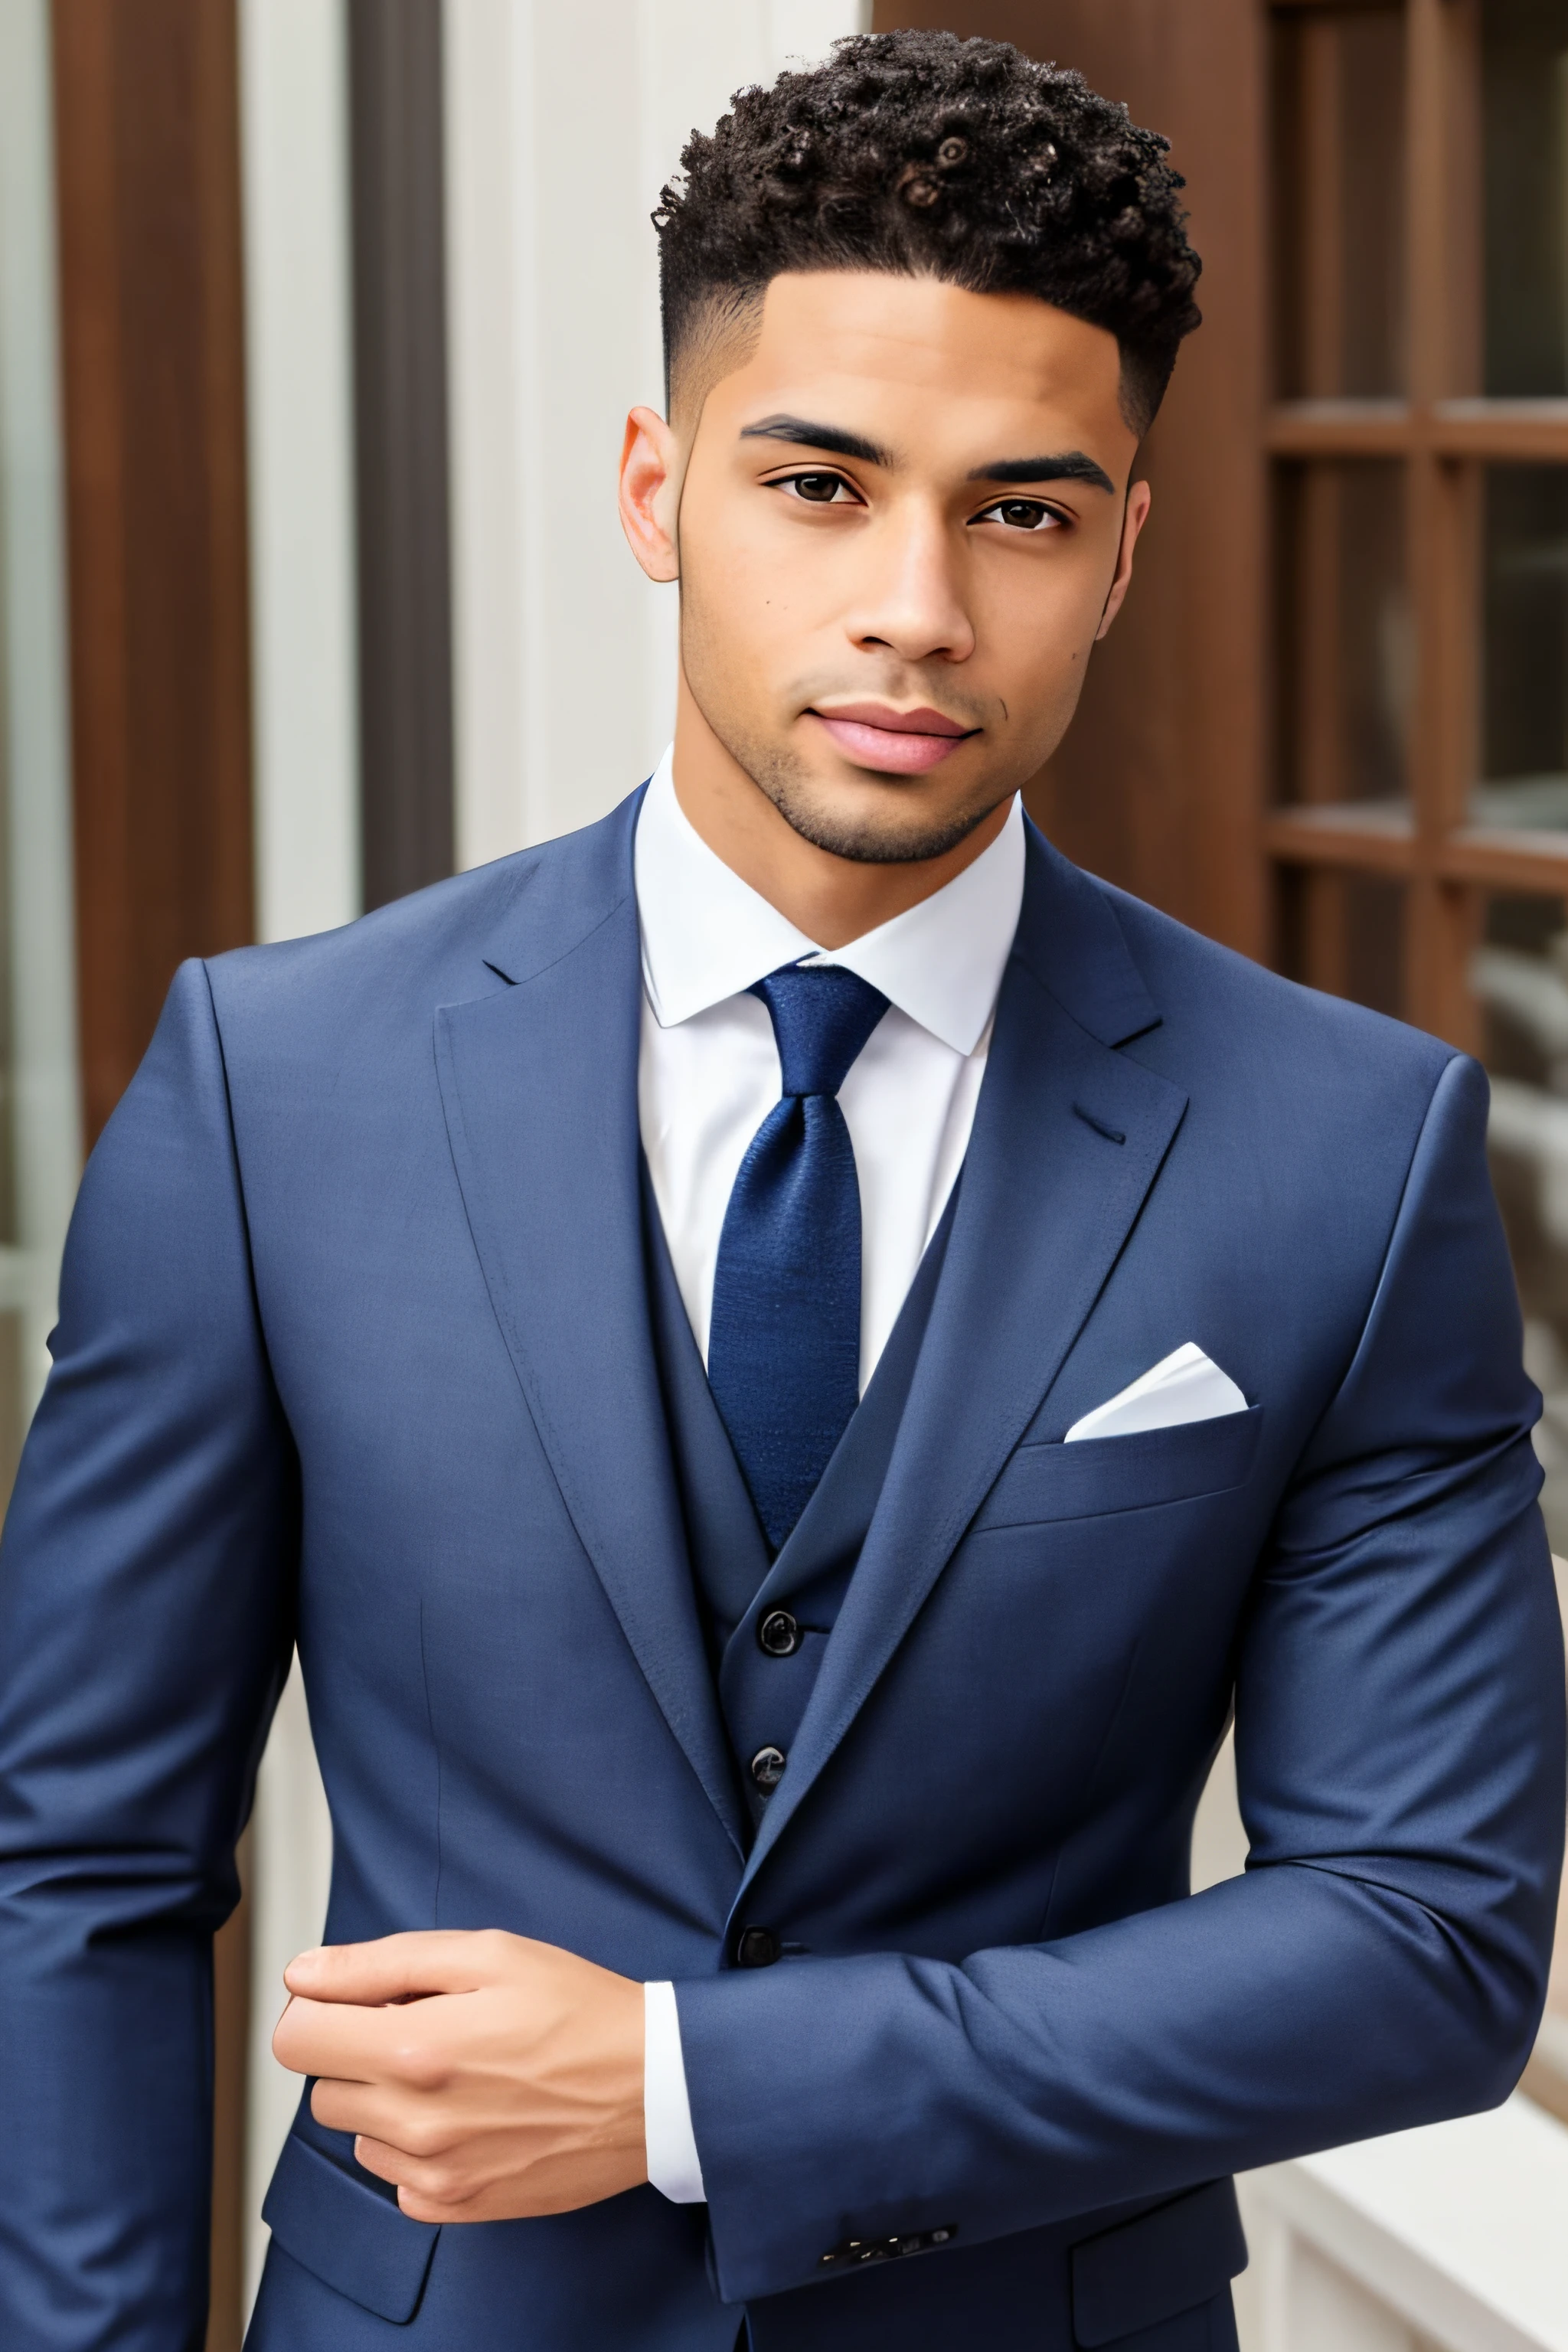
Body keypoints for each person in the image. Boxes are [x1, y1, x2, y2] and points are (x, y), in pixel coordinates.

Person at [1, 28, 1562, 2352]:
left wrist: (676, 2088)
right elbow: (88, 1871)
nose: (918, 606)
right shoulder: (274, 1087)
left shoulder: (1348, 1145)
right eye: (819, 486)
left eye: (1021, 511)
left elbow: (1422, 1934)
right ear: (657, 488)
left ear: (1126, 546)